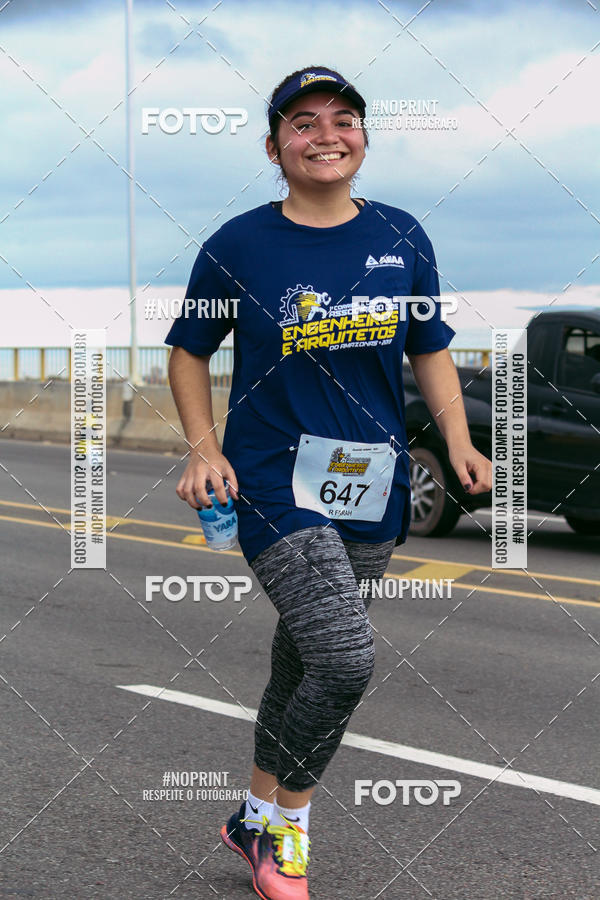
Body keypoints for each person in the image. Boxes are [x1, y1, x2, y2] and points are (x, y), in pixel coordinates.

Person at [165, 65, 492, 900]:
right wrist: (204, 450)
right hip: (273, 475)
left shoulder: (402, 234)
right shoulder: (238, 244)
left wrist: (459, 441)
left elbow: (430, 347)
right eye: (303, 122)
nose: (326, 135)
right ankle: (288, 832)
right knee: (344, 659)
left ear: (364, 138)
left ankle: (250, 815)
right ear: (273, 147)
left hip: (371, 479)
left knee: (302, 657)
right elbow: (189, 352)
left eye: (344, 119)